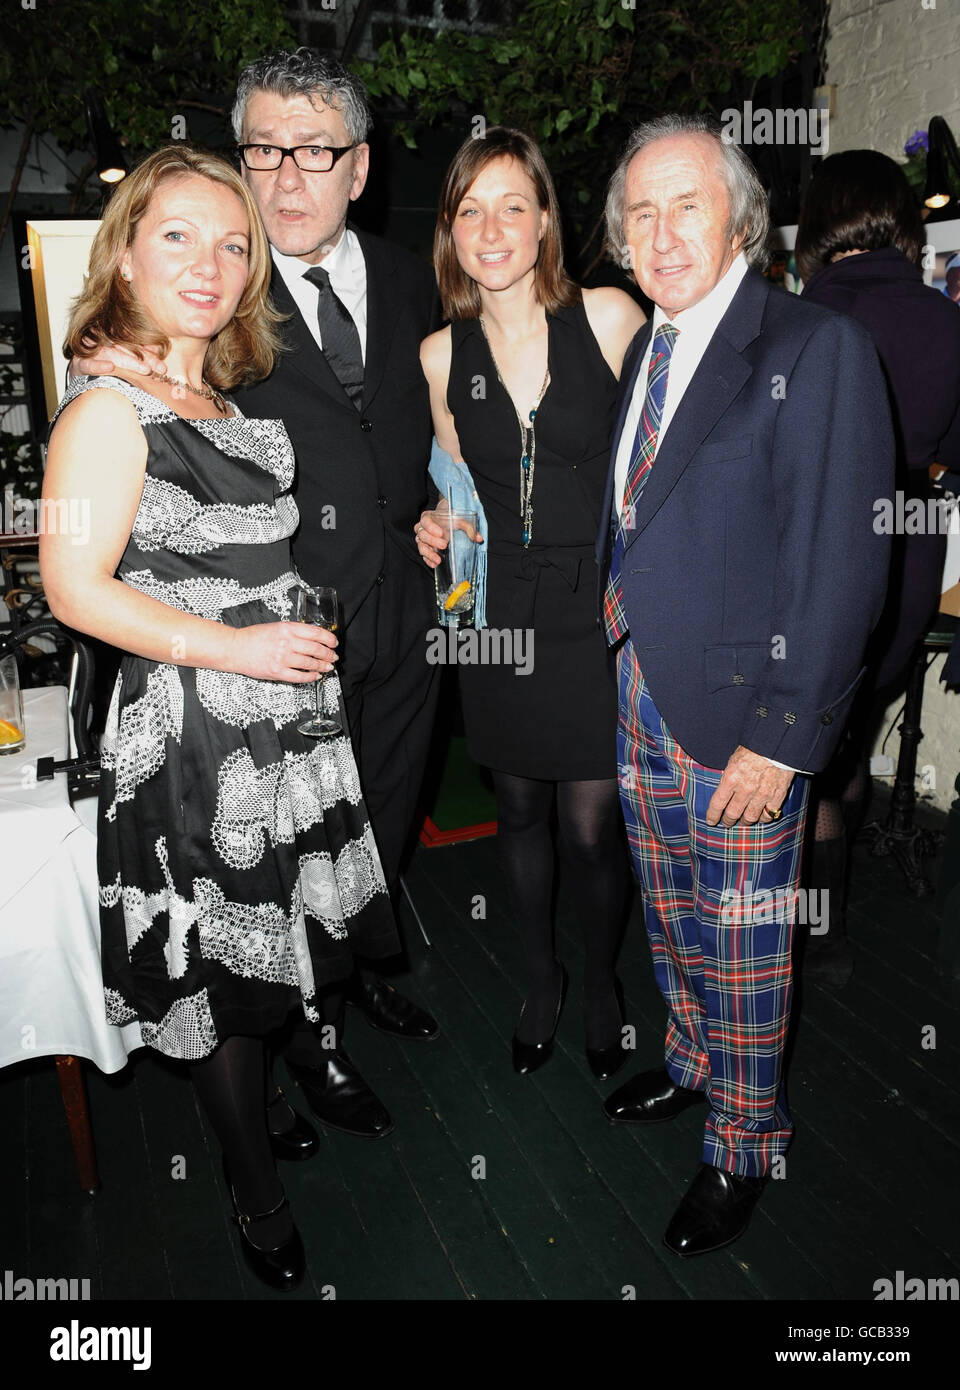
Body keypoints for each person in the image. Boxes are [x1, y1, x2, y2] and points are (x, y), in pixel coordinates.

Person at [41, 145, 401, 1290]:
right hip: (195, 741)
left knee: (282, 937)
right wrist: (237, 643)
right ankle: (248, 1179)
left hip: (281, 722)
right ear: (127, 254)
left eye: (233, 242)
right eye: (179, 236)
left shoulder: (217, 394)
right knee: (224, 984)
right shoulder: (105, 408)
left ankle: (281, 1098)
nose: (211, 262)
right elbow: (72, 587)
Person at [73, 47, 441, 1143]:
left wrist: (441, 504)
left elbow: (440, 416)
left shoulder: (414, 277)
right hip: (250, 661)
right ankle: (292, 1050)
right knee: (259, 869)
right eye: (266, 151)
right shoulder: (217, 299)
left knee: (364, 829)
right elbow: (114, 507)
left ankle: (352, 981)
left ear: (359, 167)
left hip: (402, 619)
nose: (289, 178)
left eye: (317, 152)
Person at [597, 114, 894, 1257]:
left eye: (687, 206)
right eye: (641, 213)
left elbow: (839, 560)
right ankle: (691, 1063)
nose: (663, 233)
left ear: (742, 222)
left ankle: (741, 1139)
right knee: (672, 916)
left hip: (744, 719)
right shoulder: (646, 349)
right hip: (640, 689)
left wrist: (785, 738)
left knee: (745, 938)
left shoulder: (813, 348)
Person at [415, 127, 646, 1077]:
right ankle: (539, 976)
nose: (491, 226)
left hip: (593, 609)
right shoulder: (439, 355)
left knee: (592, 826)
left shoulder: (608, 316)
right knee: (516, 810)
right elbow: (456, 485)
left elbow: (661, 464)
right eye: (469, 210)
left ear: (546, 219)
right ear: (451, 234)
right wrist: (437, 524)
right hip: (497, 612)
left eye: (513, 204)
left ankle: (601, 979)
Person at [795, 150, 960, 987]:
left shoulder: (802, 317)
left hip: (822, 559)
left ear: (823, 218)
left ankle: (813, 935)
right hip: (910, 557)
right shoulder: (944, 317)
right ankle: (830, 929)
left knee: (810, 750)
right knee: (851, 742)